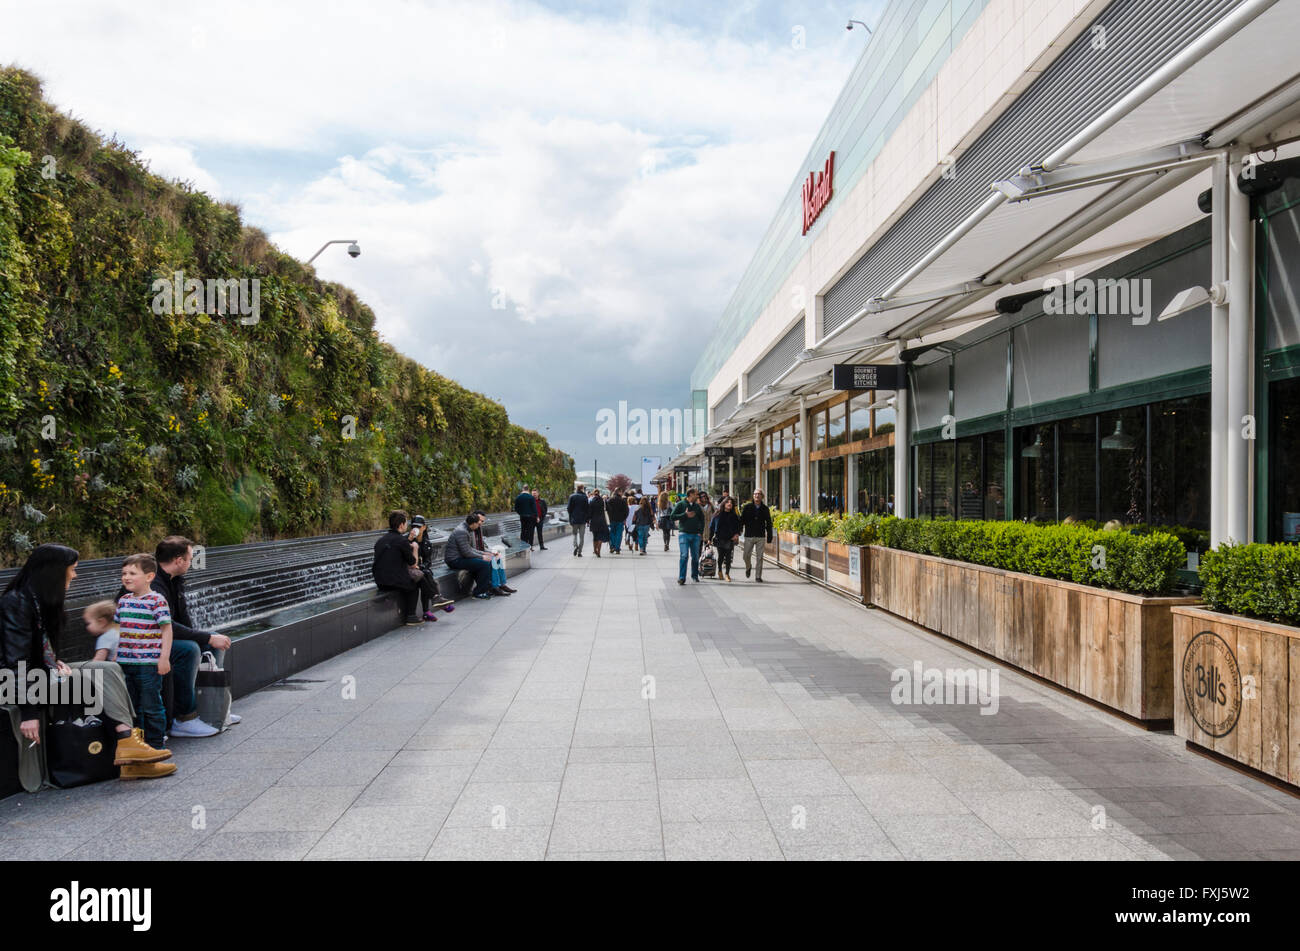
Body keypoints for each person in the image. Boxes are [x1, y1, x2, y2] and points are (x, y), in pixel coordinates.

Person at [1, 546, 174, 788]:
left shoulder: (39, 600)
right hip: (10, 682)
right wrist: (29, 713)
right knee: (87, 678)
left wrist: (54, 660)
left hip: (40, 672)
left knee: (108, 669)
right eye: (72, 570)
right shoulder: (16, 601)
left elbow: (37, 646)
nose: (75, 575)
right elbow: (15, 660)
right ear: (54, 572)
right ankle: (129, 747)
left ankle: (129, 746)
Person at [146, 536, 236, 736]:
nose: (191, 562)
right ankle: (184, 718)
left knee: (210, 641)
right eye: (190, 558)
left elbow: (183, 619)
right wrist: (204, 638)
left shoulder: (175, 580)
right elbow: (165, 624)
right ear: (178, 560)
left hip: (166, 635)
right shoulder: (154, 583)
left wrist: (205, 638)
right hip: (149, 639)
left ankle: (211, 706)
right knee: (190, 649)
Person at [115, 553, 176, 757]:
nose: (126, 577)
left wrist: (164, 657)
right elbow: (118, 629)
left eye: (133, 573)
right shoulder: (123, 601)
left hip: (148, 662)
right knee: (132, 705)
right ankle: (138, 744)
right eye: (124, 573)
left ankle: (157, 744)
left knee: (151, 703)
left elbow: (167, 630)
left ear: (149, 577)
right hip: (125, 662)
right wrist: (115, 653)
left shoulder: (156, 600)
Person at [373, 509, 424, 624]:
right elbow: (413, 563)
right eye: (406, 523)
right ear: (401, 525)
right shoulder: (401, 540)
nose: (407, 526)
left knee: (420, 577)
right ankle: (411, 616)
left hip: (379, 580)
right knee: (414, 585)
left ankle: (435, 596)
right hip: (392, 581)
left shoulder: (380, 540)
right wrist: (415, 548)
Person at [445, 513, 499, 599]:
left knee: (487, 561)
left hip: (460, 557)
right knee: (484, 564)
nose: (479, 526)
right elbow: (467, 553)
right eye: (478, 524)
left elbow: (469, 549)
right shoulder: (462, 531)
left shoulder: (465, 529)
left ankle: (489, 588)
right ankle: (479, 592)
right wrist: (482, 557)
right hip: (454, 560)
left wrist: (484, 553)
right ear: (473, 523)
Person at [411, 516, 456, 620]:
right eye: (413, 526)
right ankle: (436, 601)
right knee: (426, 576)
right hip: (411, 570)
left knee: (426, 573)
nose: (415, 528)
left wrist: (423, 566)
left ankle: (432, 605)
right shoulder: (408, 540)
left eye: (418, 526)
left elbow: (428, 561)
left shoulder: (427, 542)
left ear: (424, 527)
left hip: (421, 569)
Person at [470, 511, 516, 594]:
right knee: (493, 560)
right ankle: (495, 587)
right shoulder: (470, 530)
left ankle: (502, 584)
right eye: (480, 520)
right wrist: (486, 554)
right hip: (473, 555)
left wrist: (492, 552)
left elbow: (483, 547)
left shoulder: (479, 529)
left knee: (498, 557)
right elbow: (470, 550)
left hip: (479, 552)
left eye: (483, 521)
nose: (481, 523)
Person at [670, 488, 706, 585]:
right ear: (690, 494)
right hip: (684, 534)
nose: (697, 496)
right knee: (684, 555)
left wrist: (700, 532)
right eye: (696, 494)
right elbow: (672, 516)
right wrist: (684, 515)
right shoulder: (681, 504)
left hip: (695, 535)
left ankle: (694, 575)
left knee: (695, 557)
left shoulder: (697, 506)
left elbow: (702, 520)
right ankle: (682, 577)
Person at [740, 489, 774, 582]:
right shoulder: (747, 507)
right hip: (749, 535)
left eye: (759, 494)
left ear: (762, 496)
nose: (757, 496)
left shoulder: (765, 509)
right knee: (746, 555)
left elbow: (769, 523)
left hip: (760, 536)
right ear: (753, 496)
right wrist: (739, 531)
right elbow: (742, 520)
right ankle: (748, 566)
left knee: (760, 557)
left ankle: (758, 576)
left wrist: (769, 536)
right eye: (755, 494)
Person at [710, 497, 742, 582]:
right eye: (727, 502)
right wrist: (709, 539)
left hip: (730, 538)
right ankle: (720, 570)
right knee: (721, 556)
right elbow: (712, 527)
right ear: (724, 504)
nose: (729, 504)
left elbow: (738, 526)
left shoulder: (734, 515)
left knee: (728, 558)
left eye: (731, 503)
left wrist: (737, 534)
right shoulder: (717, 514)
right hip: (720, 538)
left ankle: (727, 574)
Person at [567, 484, 590, 557]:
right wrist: (587, 519)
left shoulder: (572, 496)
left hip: (574, 519)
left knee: (574, 534)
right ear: (582, 489)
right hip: (582, 520)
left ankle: (575, 546)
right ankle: (579, 552)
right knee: (582, 537)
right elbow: (587, 509)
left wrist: (571, 516)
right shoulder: (585, 497)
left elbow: (569, 508)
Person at [514, 485, 539, 550]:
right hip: (530, 517)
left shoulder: (518, 497)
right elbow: (534, 508)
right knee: (530, 531)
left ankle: (522, 546)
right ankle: (530, 546)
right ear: (528, 490)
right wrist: (536, 516)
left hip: (522, 517)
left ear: (523, 489)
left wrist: (520, 513)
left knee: (523, 531)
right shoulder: (531, 497)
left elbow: (516, 508)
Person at [606, 489, 629, 554]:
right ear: (619, 492)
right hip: (620, 520)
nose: (622, 493)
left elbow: (607, 510)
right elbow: (626, 511)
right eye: (621, 492)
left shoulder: (610, 500)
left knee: (612, 533)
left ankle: (612, 546)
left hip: (612, 519)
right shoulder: (623, 501)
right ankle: (617, 548)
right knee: (619, 534)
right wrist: (624, 518)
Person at [588, 489, 609, 557]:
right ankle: (599, 551)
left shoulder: (592, 502)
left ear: (594, 494)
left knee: (595, 537)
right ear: (599, 493)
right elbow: (606, 510)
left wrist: (588, 520)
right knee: (600, 537)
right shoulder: (602, 501)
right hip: (602, 521)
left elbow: (590, 512)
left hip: (594, 521)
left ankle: (595, 550)